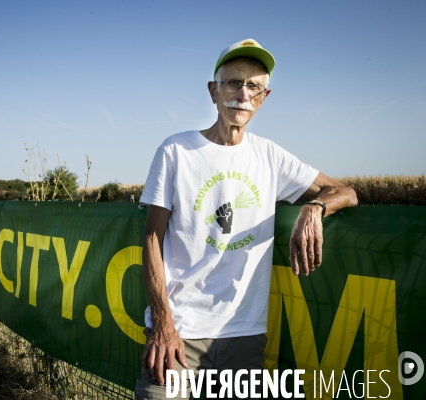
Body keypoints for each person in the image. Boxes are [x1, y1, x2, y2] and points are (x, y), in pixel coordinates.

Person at [135, 38, 358, 399]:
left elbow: (346, 192)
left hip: (245, 337)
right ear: (213, 91)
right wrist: (163, 323)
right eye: (233, 82)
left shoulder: (270, 156)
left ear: (263, 98)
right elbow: (151, 239)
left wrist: (314, 208)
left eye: (253, 86)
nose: (243, 93)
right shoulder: (176, 150)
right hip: (179, 335)